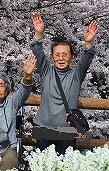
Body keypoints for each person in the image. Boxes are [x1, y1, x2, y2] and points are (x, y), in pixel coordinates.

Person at [31, 12, 98, 154]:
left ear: (71, 57)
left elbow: (86, 59)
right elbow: (37, 51)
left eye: (65, 54)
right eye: (57, 54)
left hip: (67, 129)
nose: (61, 58)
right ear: (52, 57)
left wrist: (88, 43)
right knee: (42, 165)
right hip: (44, 127)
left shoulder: (76, 75)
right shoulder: (46, 70)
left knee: (64, 165)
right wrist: (38, 33)